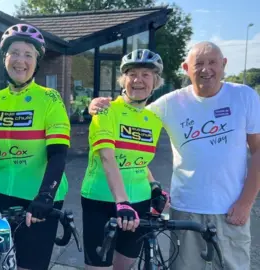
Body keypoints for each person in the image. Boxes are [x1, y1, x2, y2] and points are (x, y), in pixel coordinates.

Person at [88, 42, 260, 269]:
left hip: (231, 208)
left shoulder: (243, 96)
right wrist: (97, 105)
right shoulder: (168, 104)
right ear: (186, 68)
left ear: (224, 64)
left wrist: (246, 203)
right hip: (186, 207)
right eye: (198, 63)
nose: (205, 69)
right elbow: (131, 117)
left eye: (212, 62)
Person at [0, 23, 71, 270]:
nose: (20, 61)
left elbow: (58, 154)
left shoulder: (50, 99)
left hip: (40, 198)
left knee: (31, 265)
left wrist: (46, 194)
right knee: (5, 261)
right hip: (1, 195)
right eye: (14, 52)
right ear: (5, 58)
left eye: (28, 54)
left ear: (37, 61)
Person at [81, 49, 169, 270]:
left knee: (125, 266)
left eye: (146, 74)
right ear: (124, 79)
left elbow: (140, 160)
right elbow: (107, 157)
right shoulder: (106, 110)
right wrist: (122, 201)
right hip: (101, 199)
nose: (138, 80)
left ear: (155, 81)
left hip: (139, 201)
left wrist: (154, 185)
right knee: (98, 267)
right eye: (132, 74)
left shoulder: (154, 119)